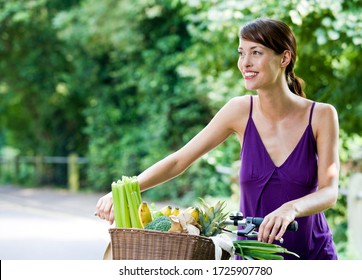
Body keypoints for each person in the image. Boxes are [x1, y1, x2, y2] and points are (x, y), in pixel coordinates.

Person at [96, 18, 339, 260]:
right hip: (254, 259)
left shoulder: (321, 115)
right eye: (241, 53)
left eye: (256, 53)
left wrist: (291, 208)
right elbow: (180, 160)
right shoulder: (239, 111)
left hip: (313, 254)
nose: (245, 63)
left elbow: (329, 191)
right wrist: (126, 189)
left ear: (284, 58)